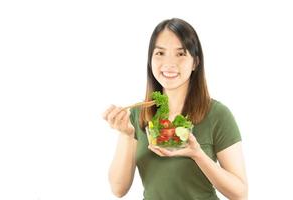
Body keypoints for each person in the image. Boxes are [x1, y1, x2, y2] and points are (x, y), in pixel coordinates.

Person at [103, 18, 248, 200]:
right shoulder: (137, 115)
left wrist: (198, 155)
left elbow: (240, 193)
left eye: (180, 54)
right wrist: (126, 134)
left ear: (195, 62)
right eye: (160, 53)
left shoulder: (218, 114)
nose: (169, 63)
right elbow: (118, 189)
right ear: (150, 60)